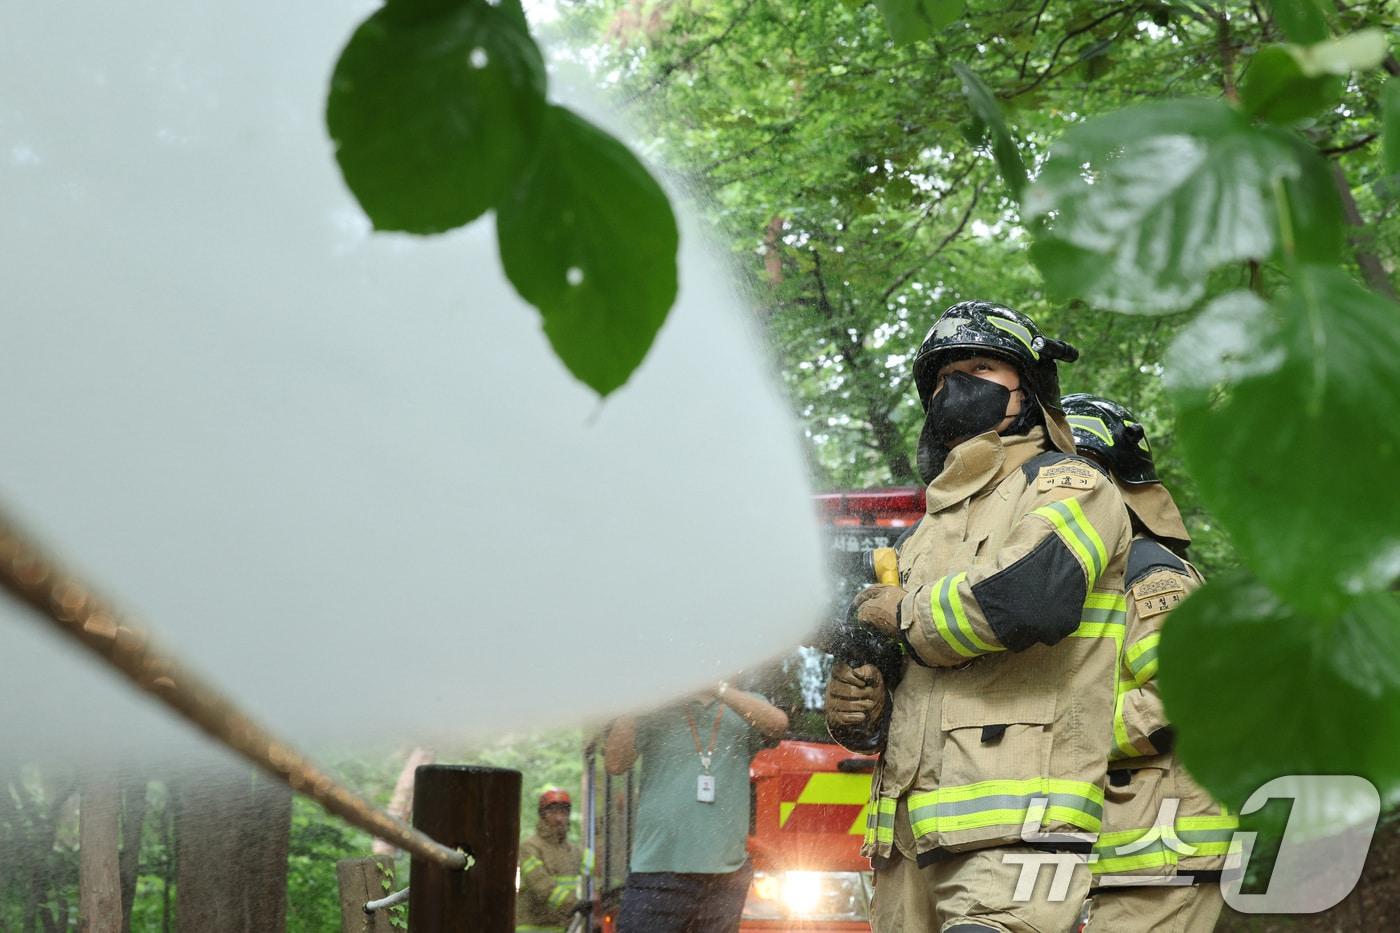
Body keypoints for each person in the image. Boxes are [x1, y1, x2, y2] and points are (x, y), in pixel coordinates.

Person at [825, 300, 1132, 932]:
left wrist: (903, 615)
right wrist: (864, 707)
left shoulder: (1071, 486)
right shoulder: (923, 535)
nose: (955, 387)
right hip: (906, 848)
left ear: (1032, 386)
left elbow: (1029, 600)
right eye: (942, 377)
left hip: (1020, 831)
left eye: (980, 366)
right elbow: (926, 686)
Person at [1061, 393, 1237, 933]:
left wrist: (1061, 739)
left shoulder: (1148, 572)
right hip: (1131, 850)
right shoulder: (1085, 577)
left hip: (1166, 851)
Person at [604, 681, 788, 933]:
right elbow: (614, 763)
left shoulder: (744, 702)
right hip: (657, 872)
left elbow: (778, 725)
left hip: (725, 877)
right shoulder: (656, 705)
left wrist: (717, 688)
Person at [517, 788, 584, 932]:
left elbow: (597, 874)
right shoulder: (529, 847)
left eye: (563, 812)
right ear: (542, 815)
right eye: (553, 812)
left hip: (562, 927)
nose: (559, 818)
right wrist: (574, 904)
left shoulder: (574, 851)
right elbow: (540, 884)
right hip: (533, 927)